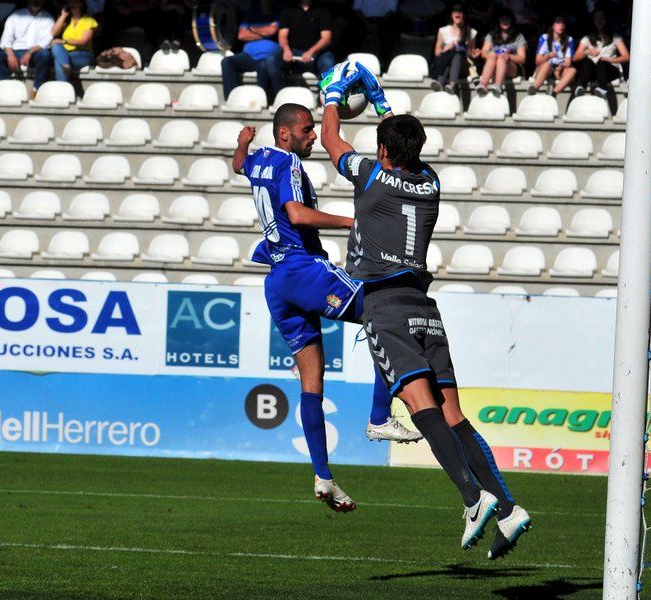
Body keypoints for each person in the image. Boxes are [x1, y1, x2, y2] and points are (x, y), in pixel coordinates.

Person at [320, 65, 530, 559]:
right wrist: (382, 102)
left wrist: (332, 95)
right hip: (425, 307)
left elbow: (330, 139)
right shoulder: (430, 181)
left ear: (384, 152)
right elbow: (403, 146)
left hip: (386, 305)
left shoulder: (371, 175)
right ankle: (507, 505)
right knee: (453, 412)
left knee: (422, 407)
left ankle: (472, 499)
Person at [231, 103, 422, 512]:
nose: (313, 136)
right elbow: (297, 214)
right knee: (385, 313)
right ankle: (378, 415)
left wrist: (242, 144)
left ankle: (323, 476)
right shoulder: (289, 166)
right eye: (306, 130)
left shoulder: (259, 157)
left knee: (311, 380)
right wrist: (354, 222)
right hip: (303, 271)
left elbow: (238, 166)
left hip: (277, 281)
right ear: (285, 135)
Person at [221, 0, 284, 103]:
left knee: (265, 65)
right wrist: (264, 33)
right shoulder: (251, 15)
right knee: (227, 61)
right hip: (248, 56)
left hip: (267, 57)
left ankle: (262, 101)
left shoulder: (278, 14)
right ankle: (231, 99)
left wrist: (252, 29)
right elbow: (241, 35)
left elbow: (272, 31)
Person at [0, 0, 55, 97]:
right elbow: (6, 39)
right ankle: (7, 86)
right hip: (15, 51)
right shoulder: (16, 16)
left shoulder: (48, 18)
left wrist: (29, 53)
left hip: (35, 53)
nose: (36, 2)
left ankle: (37, 89)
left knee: (45, 54)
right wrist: (10, 55)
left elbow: (46, 41)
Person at [572, 8, 629, 98]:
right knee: (587, 61)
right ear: (593, 20)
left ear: (606, 19)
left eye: (602, 17)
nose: (599, 20)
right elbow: (575, 58)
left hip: (610, 70)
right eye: (596, 18)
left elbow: (626, 56)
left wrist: (610, 59)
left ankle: (602, 89)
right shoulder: (587, 38)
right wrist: (587, 52)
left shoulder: (615, 37)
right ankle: (581, 88)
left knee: (601, 62)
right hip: (592, 71)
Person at [475, 9, 527, 97]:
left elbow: (522, 58)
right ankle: (483, 84)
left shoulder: (518, 36)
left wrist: (509, 56)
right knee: (492, 55)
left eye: (507, 19)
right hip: (494, 65)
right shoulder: (491, 35)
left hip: (511, 67)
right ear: (498, 21)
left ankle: (498, 85)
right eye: (502, 19)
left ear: (512, 21)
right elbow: (484, 53)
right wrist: (493, 54)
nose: (505, 22)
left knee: (501, 58)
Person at [278, 0, 335, 78]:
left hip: (318, 53)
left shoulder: (323, 11)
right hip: (292, 52)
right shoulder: (288, 10)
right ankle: (279, 90)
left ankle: (327, 89)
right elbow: (282, 35)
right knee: (270, 61)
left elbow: (326, 38)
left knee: (328, 62)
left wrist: (311, 52)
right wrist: (286, 50)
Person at [430, 3, 478, 94]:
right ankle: (440, 83)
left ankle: (451, 84)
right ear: (451, 15)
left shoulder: (471, 32)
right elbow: (437, 53)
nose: (457, 13)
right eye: (455, 11)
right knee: (450, 55)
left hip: (463, 67)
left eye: (460, 11)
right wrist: (446, 49)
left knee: (456, 55)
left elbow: (470, 54)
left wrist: (472, 54)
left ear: (464, 15)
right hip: (445, 63)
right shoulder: (443, 31)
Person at [51, 0, 98, 82]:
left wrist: (64, 41)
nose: (72, 4)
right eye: (70, 2)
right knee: (56, 46)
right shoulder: (67, 21)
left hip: (84, 54)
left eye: (75, 2)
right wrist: (63, 16)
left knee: (58, 60)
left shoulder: (89, 20)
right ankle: (66, 66)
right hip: (66, 54)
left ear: (81, 4)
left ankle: (63, 88)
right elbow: (53, 33)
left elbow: (83, 41)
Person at [529, 16, 576, 95]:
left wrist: (561, 66)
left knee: (572, 70)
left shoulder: (568, 39)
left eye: (563, 23)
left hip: (559, 70)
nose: (561, 26)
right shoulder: (545, 38)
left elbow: (568, 62)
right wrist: (548, 56)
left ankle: (554, 93)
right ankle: (533, 89)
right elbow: (537, 61)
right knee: (547, 65)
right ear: (552, 25)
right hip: (545, 69)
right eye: (558, 23)